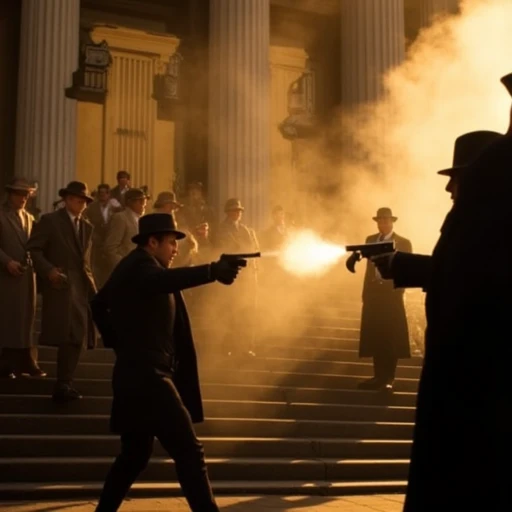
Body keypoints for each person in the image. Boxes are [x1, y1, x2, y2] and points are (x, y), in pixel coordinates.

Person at [372, 75, 512, 510]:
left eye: (457, 178)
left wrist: (406, 266)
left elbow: (474, 274)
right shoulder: (491, 189)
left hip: (474, 377)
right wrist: (406, 267)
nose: (449, 187)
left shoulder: (493, 183)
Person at [90, 213, 242, 512]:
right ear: (152, 242)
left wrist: (121, 343)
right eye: (171, 242)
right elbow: (163, 280)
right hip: (149, 377)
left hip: (139, 372)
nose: (175, 249)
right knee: (190, 451)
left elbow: (98, 303)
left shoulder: (136, 267)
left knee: (134, 455)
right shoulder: (140, 266)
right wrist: (212, 270)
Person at [27, 181, 97, 402]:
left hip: (82, 286)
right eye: (77, 199)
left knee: (78, 336)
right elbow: (33, 249)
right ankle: (63, 384)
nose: (81, 203)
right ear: (66, 199)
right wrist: (49, 271)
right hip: (60, 285)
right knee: (67, 336)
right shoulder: (50, 221)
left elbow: (85, 260)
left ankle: (65, 383)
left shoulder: (87, 226)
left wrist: (93, 287)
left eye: (84, 200)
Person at [357, 207, 412, 392]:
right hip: (374, 294)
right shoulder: (370, 241)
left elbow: (406, 269)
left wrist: (398, 292)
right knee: (375, 335)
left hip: (392, 295)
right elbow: (368, 270)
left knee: (391, 336)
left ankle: (389, 377)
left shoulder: (403, 242)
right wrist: (366, 293)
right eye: (380, 220)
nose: (383, 223)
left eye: (386, 220)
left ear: (392, 222)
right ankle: (378, 375)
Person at [0, 177, 45, 378]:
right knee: (8, 318)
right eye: (19, 194)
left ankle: (26, 360)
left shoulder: (29, 218)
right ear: (10, 194)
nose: (23, 198)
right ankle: (6, 362)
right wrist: (7, 261)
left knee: (26, 318)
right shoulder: (1, 216)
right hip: (5, 275)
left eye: (26, 194)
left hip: (26, 276)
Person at [104, 188, 148, 274]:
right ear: (130, 202)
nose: (144, 205)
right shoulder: (120, 218)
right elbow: (110, 248)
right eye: (141, 201)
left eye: (145, 201)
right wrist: (124, 267)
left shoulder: (143, 219)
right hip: (127, 272)